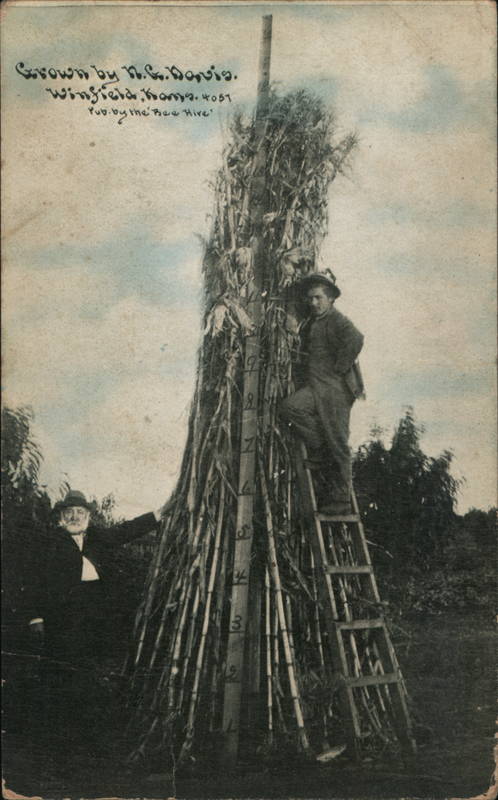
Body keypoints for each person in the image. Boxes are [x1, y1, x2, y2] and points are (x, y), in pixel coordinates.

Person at [27, 489, 166, 665]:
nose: (74, 517)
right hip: (63, 614)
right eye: (69, 512)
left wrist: (157, 515)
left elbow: (124, 531)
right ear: (61, 516)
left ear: (87, 516)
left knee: (90, 663)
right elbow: (35, 580)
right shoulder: (50, 541)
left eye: (80, 512)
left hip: (94, 607)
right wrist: (35, 618)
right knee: (61, 664)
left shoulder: (96, 536)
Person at [281, 272, 364, 515]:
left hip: (335, 391)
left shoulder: (337, 320)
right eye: (310, 298)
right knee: (290, 408)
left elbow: (356, 339)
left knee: (338, 441)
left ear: (330, 299)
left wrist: (339, 369)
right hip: (316, 387)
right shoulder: (315, 322)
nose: (314, 303)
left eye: (318, 298)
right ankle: (319, 449)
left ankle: (341, 499)